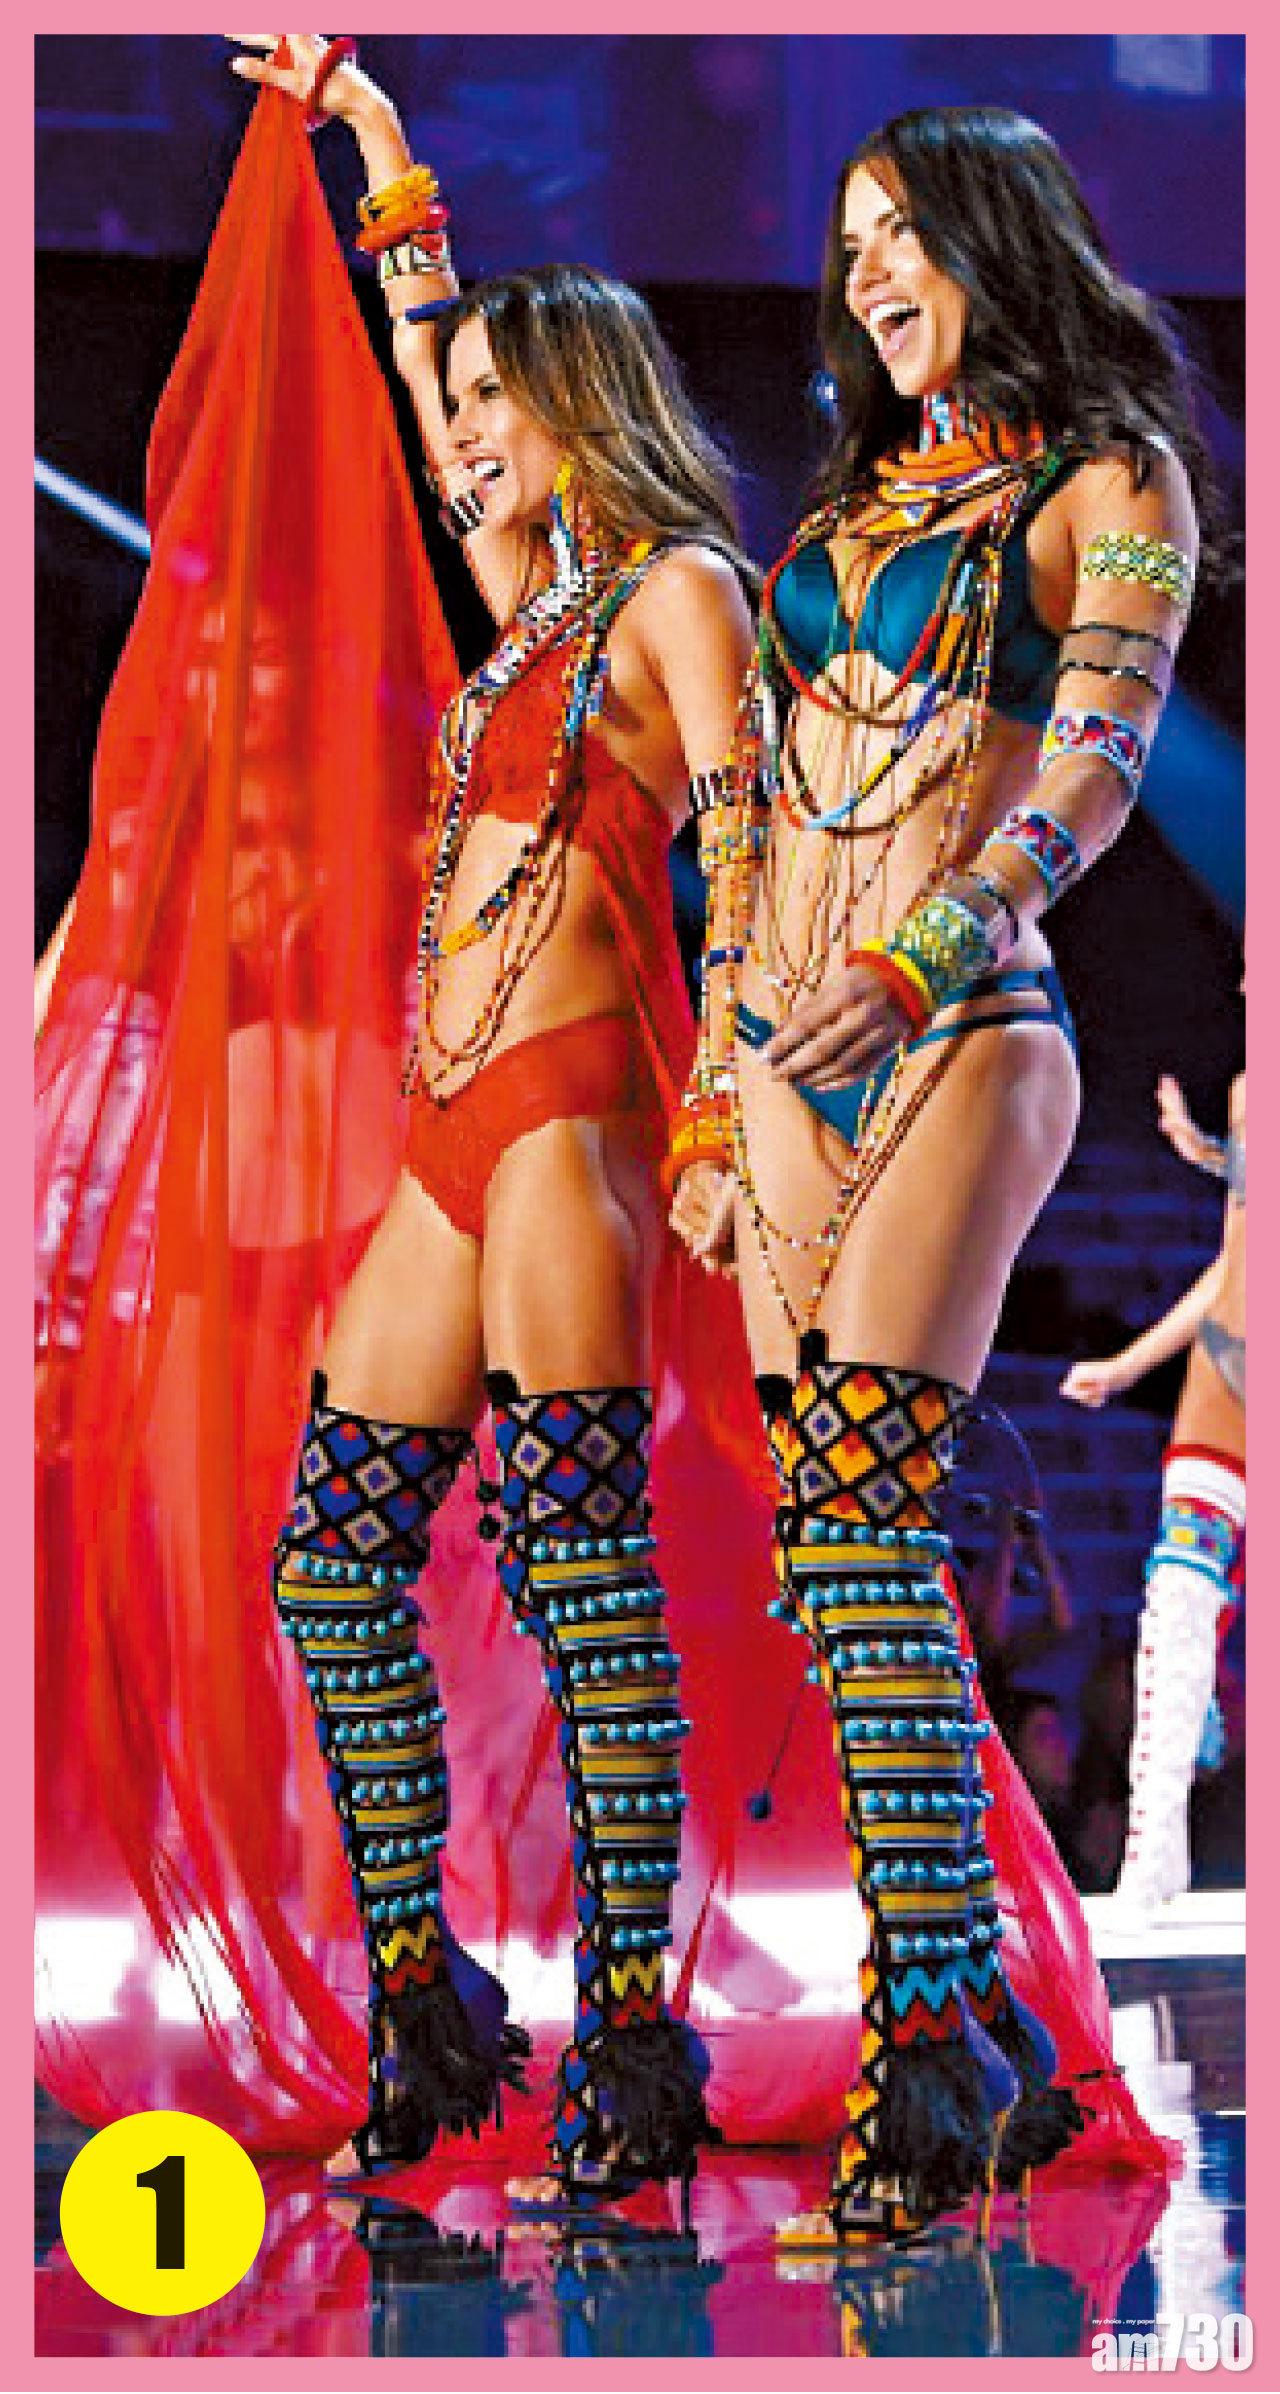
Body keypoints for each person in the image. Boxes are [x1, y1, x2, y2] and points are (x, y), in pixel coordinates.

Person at [39, 32, 758, 2213]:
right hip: (451, 1129)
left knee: (585, 1589)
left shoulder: (676, 592)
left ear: (579, 412)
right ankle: (433, 2021)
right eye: (452, 419)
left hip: (572, 1119)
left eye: (490, 414)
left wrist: (726, 1112)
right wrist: (369, 140)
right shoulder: (527, 617)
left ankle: (630, 2051)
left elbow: (745, 843)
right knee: (333, 1565)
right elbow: (422, 341)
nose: (456, 441)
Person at [667, 103, 1212, 2243]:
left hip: (962, 1028)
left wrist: (920, 954)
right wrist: (717, 1071)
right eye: (850, 242)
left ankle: (940, 2063)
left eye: (904, 232)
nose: (870, 273)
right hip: (781, 1061)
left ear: (1000, 236)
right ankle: (957, 2036)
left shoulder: (1116, 480)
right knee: (836, 1567)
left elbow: (1097, 765)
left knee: (863, 1535)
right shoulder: (851, 498)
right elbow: (751, 805)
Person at [1062, 1069, 1244, 1914]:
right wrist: (1128, 1364)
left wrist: (1213, 1156)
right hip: (1231, 1354)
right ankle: (1153, 1849)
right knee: (1177, 1593)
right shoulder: (1247, 1085)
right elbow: (1238, 1256)